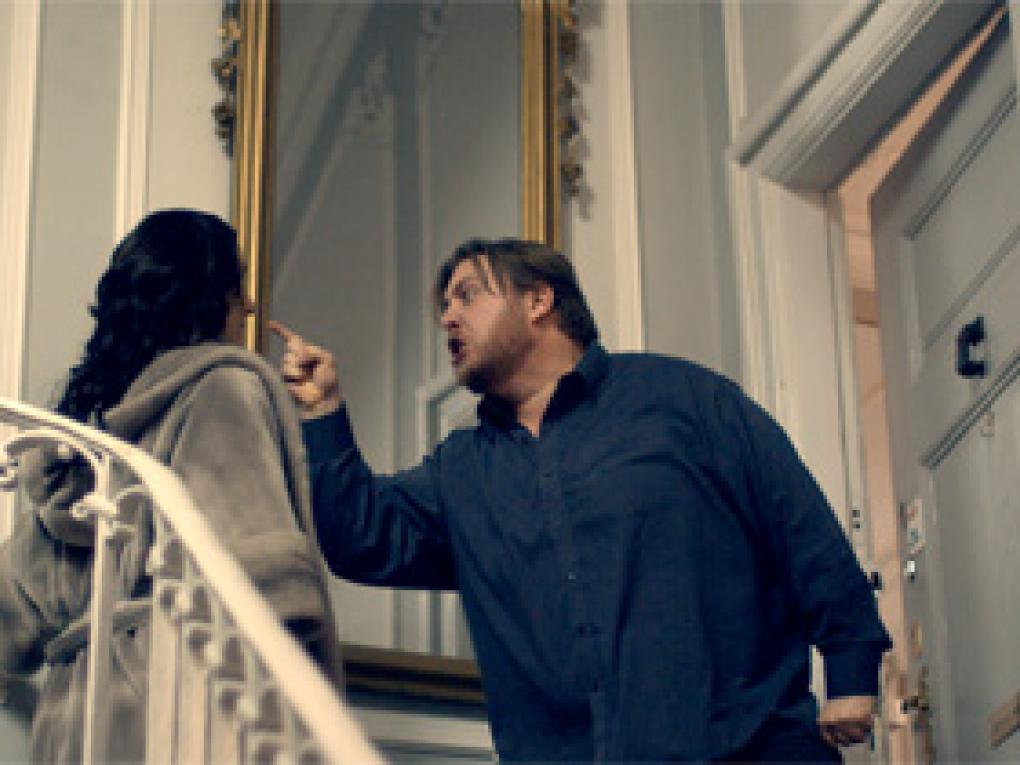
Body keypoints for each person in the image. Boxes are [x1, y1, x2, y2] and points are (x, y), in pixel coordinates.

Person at [272, 237, 891, 762]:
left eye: (467, 295)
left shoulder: (681, 399)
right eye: (445, 307)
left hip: (748, 747)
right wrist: (323, 413)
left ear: (538, 300)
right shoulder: (460, 471)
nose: (448, 319)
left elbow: (796, 518)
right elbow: (362, 539)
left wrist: (851, 664)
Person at [0, 209, 342, 763]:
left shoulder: (84, 429)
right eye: (237, 285)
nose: (249, 305)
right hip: (169, 716)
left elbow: (18, 601)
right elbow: (257, 588)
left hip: (72, 727)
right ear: (208, 296)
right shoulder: (219, 389)